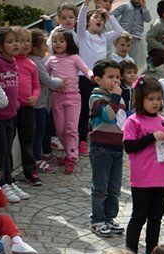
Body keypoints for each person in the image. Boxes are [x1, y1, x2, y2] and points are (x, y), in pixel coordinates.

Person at [122, 76, 164, 254]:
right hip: (142, 179)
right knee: (139, 217)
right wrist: (151, 137)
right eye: (151, 99)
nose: (155, 103)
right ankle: (130, 252)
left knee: (156, 218)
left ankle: (151, 253)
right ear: (141, 99)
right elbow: (129, 146)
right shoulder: (134, 121)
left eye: (158, 99)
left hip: (161, 179)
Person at [0, 27, 29, 203]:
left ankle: (9, 181)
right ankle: (1, 183)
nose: (16, 44)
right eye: (10, 42)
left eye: (17, 41)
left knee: (8, 151)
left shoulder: (13, 61)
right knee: (0, 152)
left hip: (12, 113)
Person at [77, 0, 124, 156]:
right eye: (96, 17)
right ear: (88, 21)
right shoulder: (83, 35)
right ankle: (82, 141)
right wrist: (86, 5)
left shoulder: (104, 37)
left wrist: (108, 15)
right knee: (84, 111)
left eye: (101, 19)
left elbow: (119, 31)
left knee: (101, 110)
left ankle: (96, 136)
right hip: (85, 78)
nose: (99, 20)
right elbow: (80, 19)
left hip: (103, 81)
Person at [45, 29, 93, 175]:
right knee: (60, 129)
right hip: (57, 97)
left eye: (61, 40)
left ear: (68, 42)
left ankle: (72, 156)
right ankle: (69, 151)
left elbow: (86, 70)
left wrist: (92, 76)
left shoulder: (74, 57)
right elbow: (43, 75)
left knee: (71, 128)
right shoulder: (51, 60)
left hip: (73, 97)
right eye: (55, 41)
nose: (57, 43)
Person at [88, 60, 125, 237]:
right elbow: (108, 115)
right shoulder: (96, 98)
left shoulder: (118, 97)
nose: (116, 81)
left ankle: (110, 217)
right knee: (101, 187)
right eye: (110, 77)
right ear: (98, 79)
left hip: (117, 147)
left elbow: (124, 119)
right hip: (101, 148)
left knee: (114, 187)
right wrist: (116, 98)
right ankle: (97, 219)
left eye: (118, 77)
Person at [28, 30, 62, 174]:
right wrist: (60, 81)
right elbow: (48, 81)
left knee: (45, 130)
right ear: (35, 49)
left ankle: (45, 154)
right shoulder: (36, 63)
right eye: (44, 45)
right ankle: (37, 160)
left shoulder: (37, 61)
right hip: (38, 105)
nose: (47, 48)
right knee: (39, 133)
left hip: (42, 104)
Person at [13, 27, 41, 187]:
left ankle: (31, 172)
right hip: (10, 109)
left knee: (27, 140)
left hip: (27, 108)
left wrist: (35, 97)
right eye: (20, 40)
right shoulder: (10, 62)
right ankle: (7, 174)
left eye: (27, 41)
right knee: (8, 141)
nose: (25, 44)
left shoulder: (31, 64)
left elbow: (36, 85)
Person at [111, 0, 151, 65]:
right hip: (123, 35)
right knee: (120, 53)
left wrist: (144, 8)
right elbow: (112, 14)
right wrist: (118, 27)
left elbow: (148, 19)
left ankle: (133, 72)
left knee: (134, 57)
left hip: (136, 36)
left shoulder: (143, 8)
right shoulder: (125, 5)